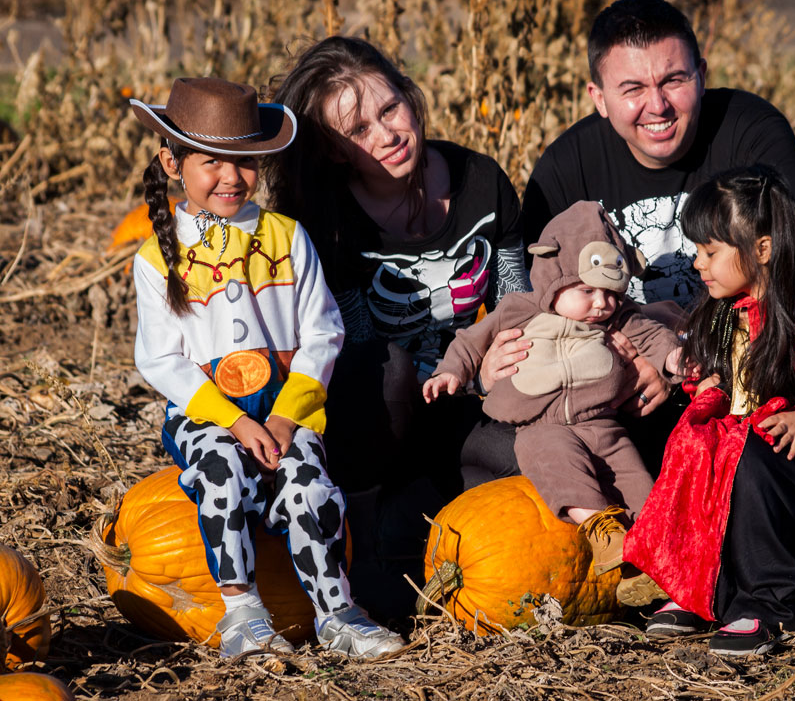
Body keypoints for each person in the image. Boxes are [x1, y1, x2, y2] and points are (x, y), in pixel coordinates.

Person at [483, 0, 795, 467]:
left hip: (740, 380)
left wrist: (685, 365)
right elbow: (544, 305)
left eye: (674, 80)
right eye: (631, 88)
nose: (657, 105)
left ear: (702, 75)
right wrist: (495, 362)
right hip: (616, 387)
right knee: (502, 452)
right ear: (599, 99)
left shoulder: (751, 131)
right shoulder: (565, 170)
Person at [130, 77, 404, 659]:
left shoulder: (287, 237)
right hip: (207, 415)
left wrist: (286, 417)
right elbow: (159, 358)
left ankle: (337, 613)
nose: (232, 178)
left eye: (246, 162)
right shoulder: (156, 258)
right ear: (171, 163)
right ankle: (242, 611)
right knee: (222, 474)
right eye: (212, 163)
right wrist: (232, 422)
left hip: (286, 406)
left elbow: (325, 331)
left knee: (310, 483)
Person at [619, 165, 795, 656]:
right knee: (693, 446)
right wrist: (711, 385)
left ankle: (767, 605)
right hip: (746, 446)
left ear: (762, 250)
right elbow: (731, 379)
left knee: (746, 462)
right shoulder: (725, 313)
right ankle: (697, 592)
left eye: (710, 252)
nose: (698, 263)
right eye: (697, 251)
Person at [263, 36, 530, 498]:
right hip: (380, 416)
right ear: (333, 150)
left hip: (475, 399)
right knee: (389, 369)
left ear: (408, 95)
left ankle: (427, 497)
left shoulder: (482, 183)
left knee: (521, 458)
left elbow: (516, 305)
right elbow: (360, 351)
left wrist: (487, 375)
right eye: (359, 130)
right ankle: (375, 511)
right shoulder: (329, 225)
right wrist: (472, 381)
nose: (386, 135)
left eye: (390, 110)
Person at [423, 201, 682, 570]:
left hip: (603, 424)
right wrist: (451, 372)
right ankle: (601, 531)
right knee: (557, 466)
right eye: (588, 291)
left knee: (637, 481)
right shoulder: (519, 309)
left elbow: (653, 335)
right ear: (555, 276)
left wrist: (672, 360)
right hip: (542, 427)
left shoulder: (619, 317)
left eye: (612, 294)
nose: (602, 304)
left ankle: (654, 561)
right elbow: (471, 340)